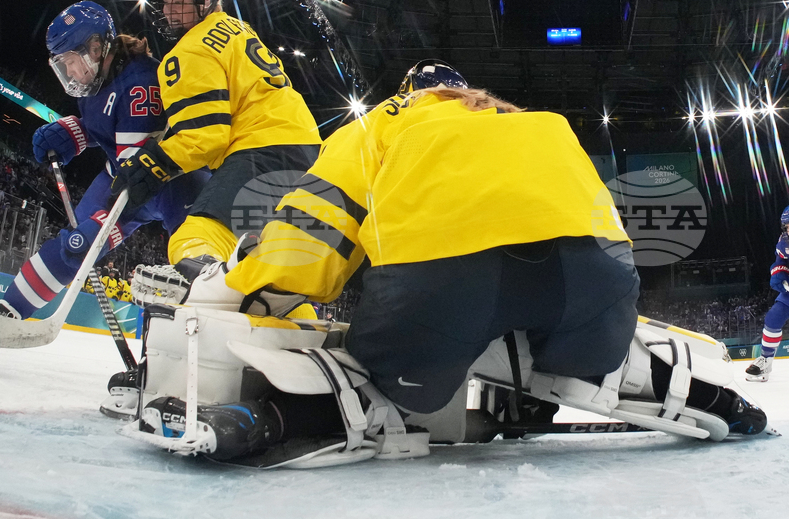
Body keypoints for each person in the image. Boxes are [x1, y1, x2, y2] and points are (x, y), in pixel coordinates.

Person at [147, 61, 766, 462]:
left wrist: (249, 288)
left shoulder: (386, 122)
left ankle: (276, 418)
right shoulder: (537, 123)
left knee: (386, 379)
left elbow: (313, 233)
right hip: (596, 287)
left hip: (445, 288)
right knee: (569, 339)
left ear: (410, 95)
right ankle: (717, 402)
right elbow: (604, 233)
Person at [0, 1, 209, 360]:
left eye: (71, 61)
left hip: (175, 182)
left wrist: (105, 229)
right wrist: (75, 132)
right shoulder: (98, 81)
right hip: (125, 174)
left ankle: (183, 356)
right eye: (62, 64)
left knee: (198, 266)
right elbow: (107, 129)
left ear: (97, 48)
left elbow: (140, 166)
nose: (69, 72)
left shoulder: (141, 81)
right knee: (75, 244)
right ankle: (9, 313)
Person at [106, 0, 322, 318]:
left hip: (262, 150)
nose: (169, 12)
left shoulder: (188, 50)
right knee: (264, 273)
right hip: (308, 154)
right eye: (166, 3)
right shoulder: (237, 29)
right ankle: (299, 333)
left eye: (180, 2)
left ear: (205, 0)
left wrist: (152, 164)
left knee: (197, 238)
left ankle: (205, 310)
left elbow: (205, 137)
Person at [745, 205, 789, 382]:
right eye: (787, 226)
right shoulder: (784, 242)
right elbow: (780, 262)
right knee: (773, 317)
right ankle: (766, 361)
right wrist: (779, 275)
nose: (788, 230)